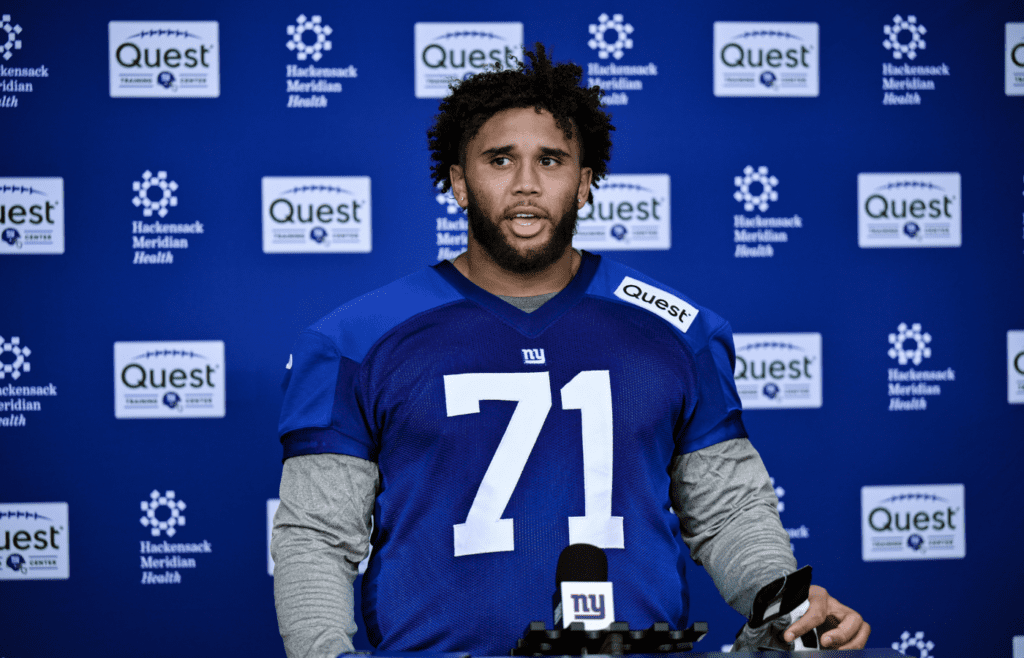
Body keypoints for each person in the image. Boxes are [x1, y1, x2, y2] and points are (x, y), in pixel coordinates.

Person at [272, 44, 870, 658]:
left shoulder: (678, 330)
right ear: (457, 182)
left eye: (551, 160)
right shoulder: (354, 341)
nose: (526, 184)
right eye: (500, 160)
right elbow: (317, 537)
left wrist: (786, 606)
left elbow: (728, 511)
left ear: (584, 184)